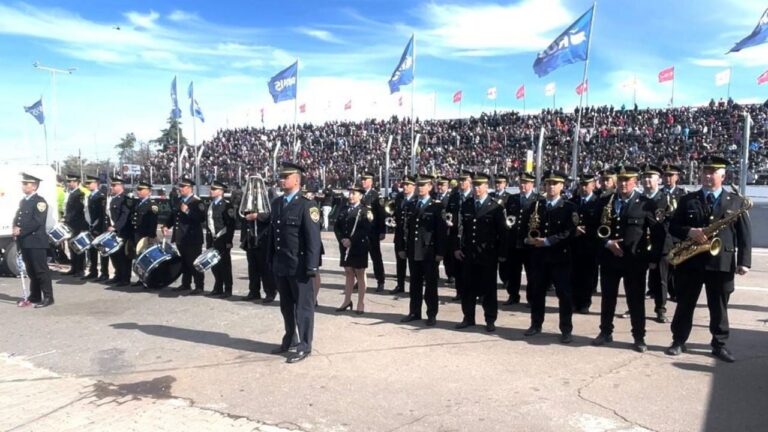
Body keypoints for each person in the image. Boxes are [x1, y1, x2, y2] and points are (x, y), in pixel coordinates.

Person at [666, 155, 751, 363]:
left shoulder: (736, 201)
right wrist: (690, 231)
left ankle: (719, 344)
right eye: (705, 171)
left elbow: (744, 235)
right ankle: (678, 340)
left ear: (723, 176)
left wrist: (744, 262)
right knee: (685, 303)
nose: (707, 176)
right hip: (691, 262)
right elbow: (674, 227)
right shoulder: (688, 200)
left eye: (712, 172)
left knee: (719, 306)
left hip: (721, 262)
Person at [591, 165, 665, 353]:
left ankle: (639, 336)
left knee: (636, 301)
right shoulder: (604, 201)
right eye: (621, 180)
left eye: (628, 180)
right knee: (608, 298)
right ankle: (605, 331)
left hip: (635, 261)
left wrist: (653, 258)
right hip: (609, 258)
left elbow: (657, 234)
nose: (624, 184)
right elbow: (592, 229)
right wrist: (607, 243)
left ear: (635, 182)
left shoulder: (645, 203)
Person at [267, 162, 322, 364]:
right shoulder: (277, 203)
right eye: (280, 177)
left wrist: (312, 266)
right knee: (286, 306)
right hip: (281, 264)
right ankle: (290, 338)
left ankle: (305, 345)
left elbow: (313, 239)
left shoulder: (307, 204)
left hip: (299, 266)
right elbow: (274, 235)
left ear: (296, 179)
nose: (281, 180)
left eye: (286, 177)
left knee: (303, 308)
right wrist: (270, 260)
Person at [522, 170, 577, 343]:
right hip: (538, 257)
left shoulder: (569, 207)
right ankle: (536, 324)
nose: (551, 187)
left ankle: (566, 329)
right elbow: (524, 226)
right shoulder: (536, 205)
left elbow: (569, 232)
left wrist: (547, 241)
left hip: (559, 257)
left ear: (562, 186)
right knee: (537, 292)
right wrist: (527, 239)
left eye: (555, 184)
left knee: (564, 294)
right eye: (548, 183)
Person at [453, 172, 507, 332]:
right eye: (475, 185)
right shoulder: (467, 204)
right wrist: (456, 248)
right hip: (468, 254)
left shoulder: (495, 206)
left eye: (480, 185)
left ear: (486, 187)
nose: (477, 188)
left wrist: (502, 253)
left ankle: (490, 319)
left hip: (487, 254)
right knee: (467, 288)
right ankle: (468, 317)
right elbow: (458, 228)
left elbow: (502, 233)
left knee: (489, 289)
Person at [400, 175, 446, 326]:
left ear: (430, 187)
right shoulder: (411, 204)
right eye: (418, 185)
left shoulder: (436, 206)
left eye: (423, 185)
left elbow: (441, 231)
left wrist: (440, 252)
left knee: (431, 285)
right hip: (414, 250)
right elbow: (404, 228)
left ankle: (431, 314)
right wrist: (402, 248)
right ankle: (414, 312)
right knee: (414, 283)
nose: (420, 188)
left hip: (429, 251)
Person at [14, 173, 54, 308]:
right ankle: (35, 295)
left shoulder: (39, 202)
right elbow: (19, 217)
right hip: (25, 241)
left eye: (26, 184)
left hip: (36, 241)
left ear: (34, 186)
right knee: (31, 270)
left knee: (40, 270)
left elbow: (37, 221)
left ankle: (48, 297)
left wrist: (21, 230)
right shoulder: (24, 201)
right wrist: (15, 226)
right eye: (23, 183)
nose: (23, 186)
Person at [163, 177, 206, 295]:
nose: (180, 189)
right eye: (180, 187)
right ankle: (186, 283)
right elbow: (174, 216)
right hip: (180, 237)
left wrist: (187, 211)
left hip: (192, 238)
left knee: (194, 262)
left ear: (189, 188)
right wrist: (166, 225)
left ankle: (199, 285)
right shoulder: (179, 200)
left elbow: (201, 219)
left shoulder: (197, 202)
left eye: (183, 187)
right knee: (184, 262)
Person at [640, 163, 671, 322]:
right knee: (636, 278)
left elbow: (667, 226)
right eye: (644, 177)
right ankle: (635, 307)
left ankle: (661, 309)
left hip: (660, 246)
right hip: (640, 246)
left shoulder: (665, 200)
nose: (646, 180)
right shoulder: (638, 199)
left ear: (659, 180)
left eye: (650, 177)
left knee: (660, 280)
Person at [335, 184, 372, 314]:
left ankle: (360, 302)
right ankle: (347, 300)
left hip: (358, 246)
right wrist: (342, 239)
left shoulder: (365, 211)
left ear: (360, 196)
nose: (350, 196)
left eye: (354, 194)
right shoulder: (343, 208)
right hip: (345, 246)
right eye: (349, 193)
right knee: (348, 273)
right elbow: (337, 226)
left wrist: (351, 240)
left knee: (360, 274)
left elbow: (365, 229)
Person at [502, 171, 537, 305]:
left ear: (532, 184)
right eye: (521, 183)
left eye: (526, 183)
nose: (523, 185)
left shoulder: (538, 199)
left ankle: (531, 298)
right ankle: (513, 295)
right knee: (513, 272)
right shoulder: (513, 199)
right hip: (514, 241)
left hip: (529, 243)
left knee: (531, 273)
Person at [569, 174, 601, 314]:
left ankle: (585, 303)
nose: (583, 187)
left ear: (593, 185)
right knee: (573, 274)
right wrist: (573, 230)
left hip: (590, 244)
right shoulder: (572, 202)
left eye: (586, 185)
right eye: (581, 185)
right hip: (574, 244)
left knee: (587, 276)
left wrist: (587, 230)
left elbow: (601, 223)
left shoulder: (598, 202)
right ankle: (574, 302)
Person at [240, 198, 277, 303]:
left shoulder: (267, 199)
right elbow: (242, 218)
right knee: (252, 269)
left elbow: (272, 216)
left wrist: (258, 216)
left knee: (265, 269)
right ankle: (254, 291)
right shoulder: (247, 200)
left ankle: (270, 292)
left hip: (263, 239)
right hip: (251, 239)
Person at [661, 163, 687, 301]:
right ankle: (659, 291)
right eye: (665, 175)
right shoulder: (658, 194)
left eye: (671, 176)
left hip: (677, 236)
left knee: (677, 266)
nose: (668, 178)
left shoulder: (683, 194)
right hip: (662, 235)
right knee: (662, 267)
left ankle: (675, 291)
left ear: (677, 177)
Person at [446, 170, 474, 302]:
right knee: (457, 265)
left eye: (465, 180)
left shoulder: (474, 196)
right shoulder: (454, 197)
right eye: (460, 180)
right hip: (455, 234)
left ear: (470, 182)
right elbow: (447, 213)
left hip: (470, 236)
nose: (462, 183)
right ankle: (459, 291)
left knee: (471, 266)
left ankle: (473, 292)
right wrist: (447, 220)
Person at [205, 180, 236, 298]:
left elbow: (230, 225)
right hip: (212, 239)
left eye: (214, 189)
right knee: (214, 265)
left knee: (225, 265)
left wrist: (229, 241)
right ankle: (218, 287)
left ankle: (228, 289)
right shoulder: (210, 205)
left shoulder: (226, 205)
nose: (211, 191)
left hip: (222, 239)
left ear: (221, 192)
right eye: (211, 189)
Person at [360, 171, 386, 292]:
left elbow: (381, 215)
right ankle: (360, 280)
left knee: (376, 257)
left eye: (365, 180)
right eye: (362, 180)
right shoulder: (359, 194)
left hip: (372, 231)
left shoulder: (376, 196)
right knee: (359, 257)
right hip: (360, 231)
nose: (363, 182)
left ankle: (380, 280)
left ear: (371, 182)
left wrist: (382, 231)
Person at [131, 181, 159, 287]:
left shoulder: (152, 205)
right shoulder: (137, 203)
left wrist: (151, 236)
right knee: (138, 257)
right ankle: (141, 278)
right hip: (136, 233)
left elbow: (153, 221)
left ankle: (150, 279)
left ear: (148, 191)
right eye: (138, 190)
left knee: (147, 258)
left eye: (141, 190)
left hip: (145, 235)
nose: (138, 192)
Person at [391, 175, 416, 294]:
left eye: (407, 185)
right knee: (400, 262)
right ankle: (400, 285)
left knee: (413, 264)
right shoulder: (400, 197)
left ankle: (413, 287)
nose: (405, 187)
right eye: (404, 185)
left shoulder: (416, 199)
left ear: (413, 186)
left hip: (412, 235)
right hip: (400, 234)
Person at [106, 176, 132, 287]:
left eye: (114, 185)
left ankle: (125, 278)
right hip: (113, 231)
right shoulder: (112, 198)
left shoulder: (125, 199)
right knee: (114, 255)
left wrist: (115, 227)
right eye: (112, 185)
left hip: (122, 231)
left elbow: (124, 216)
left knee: (123, 256)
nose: (112, 187)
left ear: (121, 186)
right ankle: (118, 275)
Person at [83, 175, 110, 282]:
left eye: (90, 183)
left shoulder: (101, 196)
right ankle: (93, 271)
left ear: (97, 184)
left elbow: (102, 214)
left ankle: (104, 273)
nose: (88, 185)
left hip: (100, 227)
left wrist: (97, 225)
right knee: (92, 250)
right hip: (92, 226)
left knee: (102, 251)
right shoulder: (90, 196)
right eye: (87, 183)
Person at [62, 173, 88, 277]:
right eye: (68, 182)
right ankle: (74, 268)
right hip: (71, 225)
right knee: (71, 246)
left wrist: (67, 218)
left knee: (79, 247)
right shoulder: (70, 193)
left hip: (78, 224)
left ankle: (80, 269)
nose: (69, 183)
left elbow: (78, 210)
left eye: (71, 182)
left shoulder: (80, 194)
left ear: (77, 182)